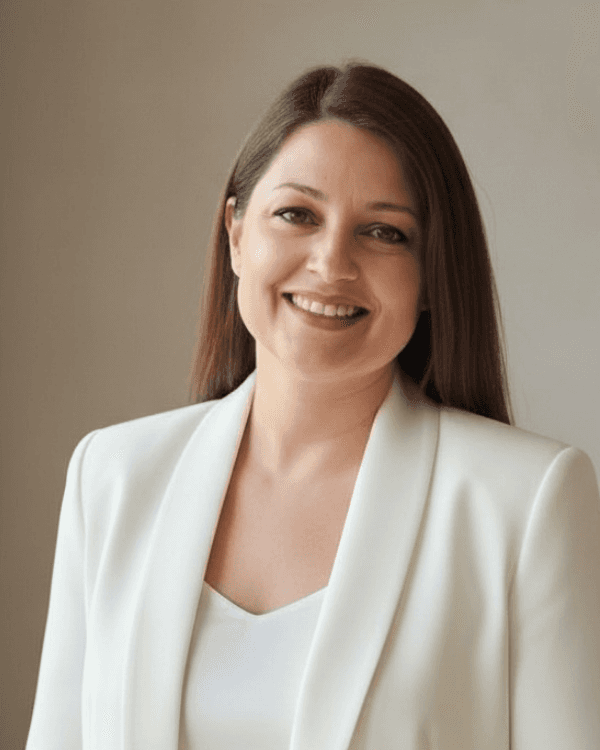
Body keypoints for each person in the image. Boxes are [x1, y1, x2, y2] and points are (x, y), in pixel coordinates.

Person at [26, 61, 600, 750]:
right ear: (236, 235)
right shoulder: (112, 477)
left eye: (384, 232)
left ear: (430, 277)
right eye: (297, 215)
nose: (331, 263)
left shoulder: (525, 503)